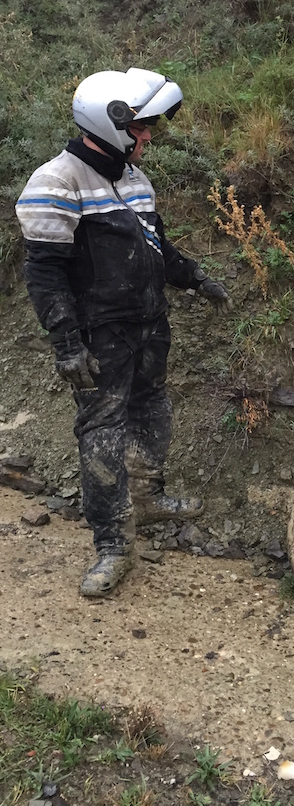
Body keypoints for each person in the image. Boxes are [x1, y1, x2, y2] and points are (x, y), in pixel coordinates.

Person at [15, 68, 234, 596]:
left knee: (153, 408)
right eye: (141, 127)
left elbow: (156, 246)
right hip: (99, 334)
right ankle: (112, 544)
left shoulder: (135, 179)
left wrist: (195, 278)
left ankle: (147, 496)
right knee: (103, 432)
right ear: (109, 123)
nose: (149, 136)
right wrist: (66, 344)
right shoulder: (55, 182)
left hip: (149, 323)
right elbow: (44, 273)